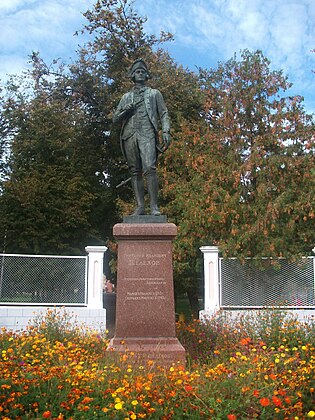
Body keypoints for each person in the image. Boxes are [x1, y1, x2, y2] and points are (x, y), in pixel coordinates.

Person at [113, 59, 170, 216]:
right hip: (130, 135)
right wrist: (126, 110)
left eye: (143, 72)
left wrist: (166, 131)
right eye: (137, 72)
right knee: (134, 171)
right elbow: (115, 118)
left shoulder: (154, 94)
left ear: (147, 75)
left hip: (147, 133)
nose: (140, 74)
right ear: (132, 76)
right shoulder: (126, 97)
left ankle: (154, 207)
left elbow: (163, 113)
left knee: (150, 168)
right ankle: (140, 206)